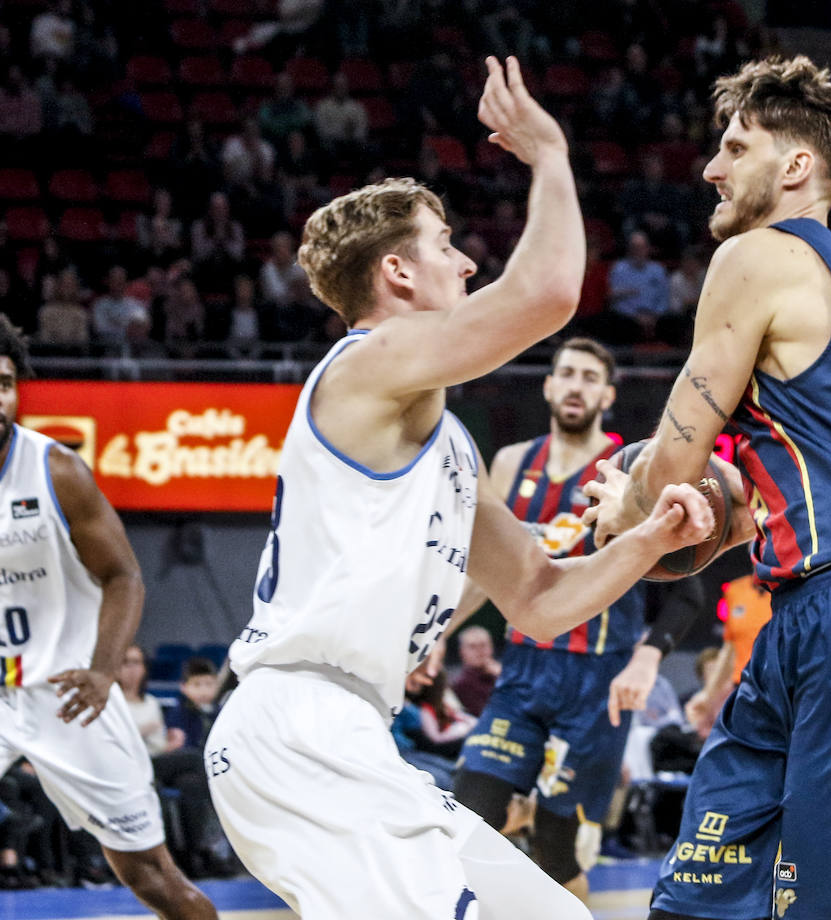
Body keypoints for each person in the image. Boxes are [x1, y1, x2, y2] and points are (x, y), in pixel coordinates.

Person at [203, 56, 713, 920]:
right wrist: (550, 155)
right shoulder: (365, 365)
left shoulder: (447, 447)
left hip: (349, 736)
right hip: (297, 730)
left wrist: (649, 540)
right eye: (445, 246)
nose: (469, 263)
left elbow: (541, 601)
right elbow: (547, 293)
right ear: (397, 273)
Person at [584, 56, 831, 920]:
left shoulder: (755, 256)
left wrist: (627, 510)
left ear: (796, 165)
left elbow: (671, 469)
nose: (710, 169)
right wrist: (759, 506)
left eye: (734, 147)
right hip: (826, 614)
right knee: (701, 892)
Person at [0, 311, 216, 918]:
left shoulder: (57, 471)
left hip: (70, 694)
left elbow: (124, 576)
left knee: (152, 878)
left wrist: (103, 671)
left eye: (4, 384)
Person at [439, 338, 706, 904]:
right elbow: (487, 573)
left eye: (590, 377)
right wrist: (437, 634)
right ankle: (513, 820)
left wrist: (646, 658)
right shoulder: (511, 463)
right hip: (523, 671)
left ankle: (539, 833)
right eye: (567, 373)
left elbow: (688, 590)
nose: (576, 385)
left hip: (596, 682)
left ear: (607, 395)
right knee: (468, 813)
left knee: (556, 853)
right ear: (548, 386)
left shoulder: (633, 471)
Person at [682, 574, 771, 737]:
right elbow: (730, 649)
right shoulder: (735, 590)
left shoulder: (789, 589)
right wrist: (708, 695)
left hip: (776, 688)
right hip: (742, 689)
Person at [450, 625, 500, 717]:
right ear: (462, 652)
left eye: (483, 645)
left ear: (492, 647)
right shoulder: (462, 684)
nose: (479, 651)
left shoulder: (501, 673)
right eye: (472, 647)